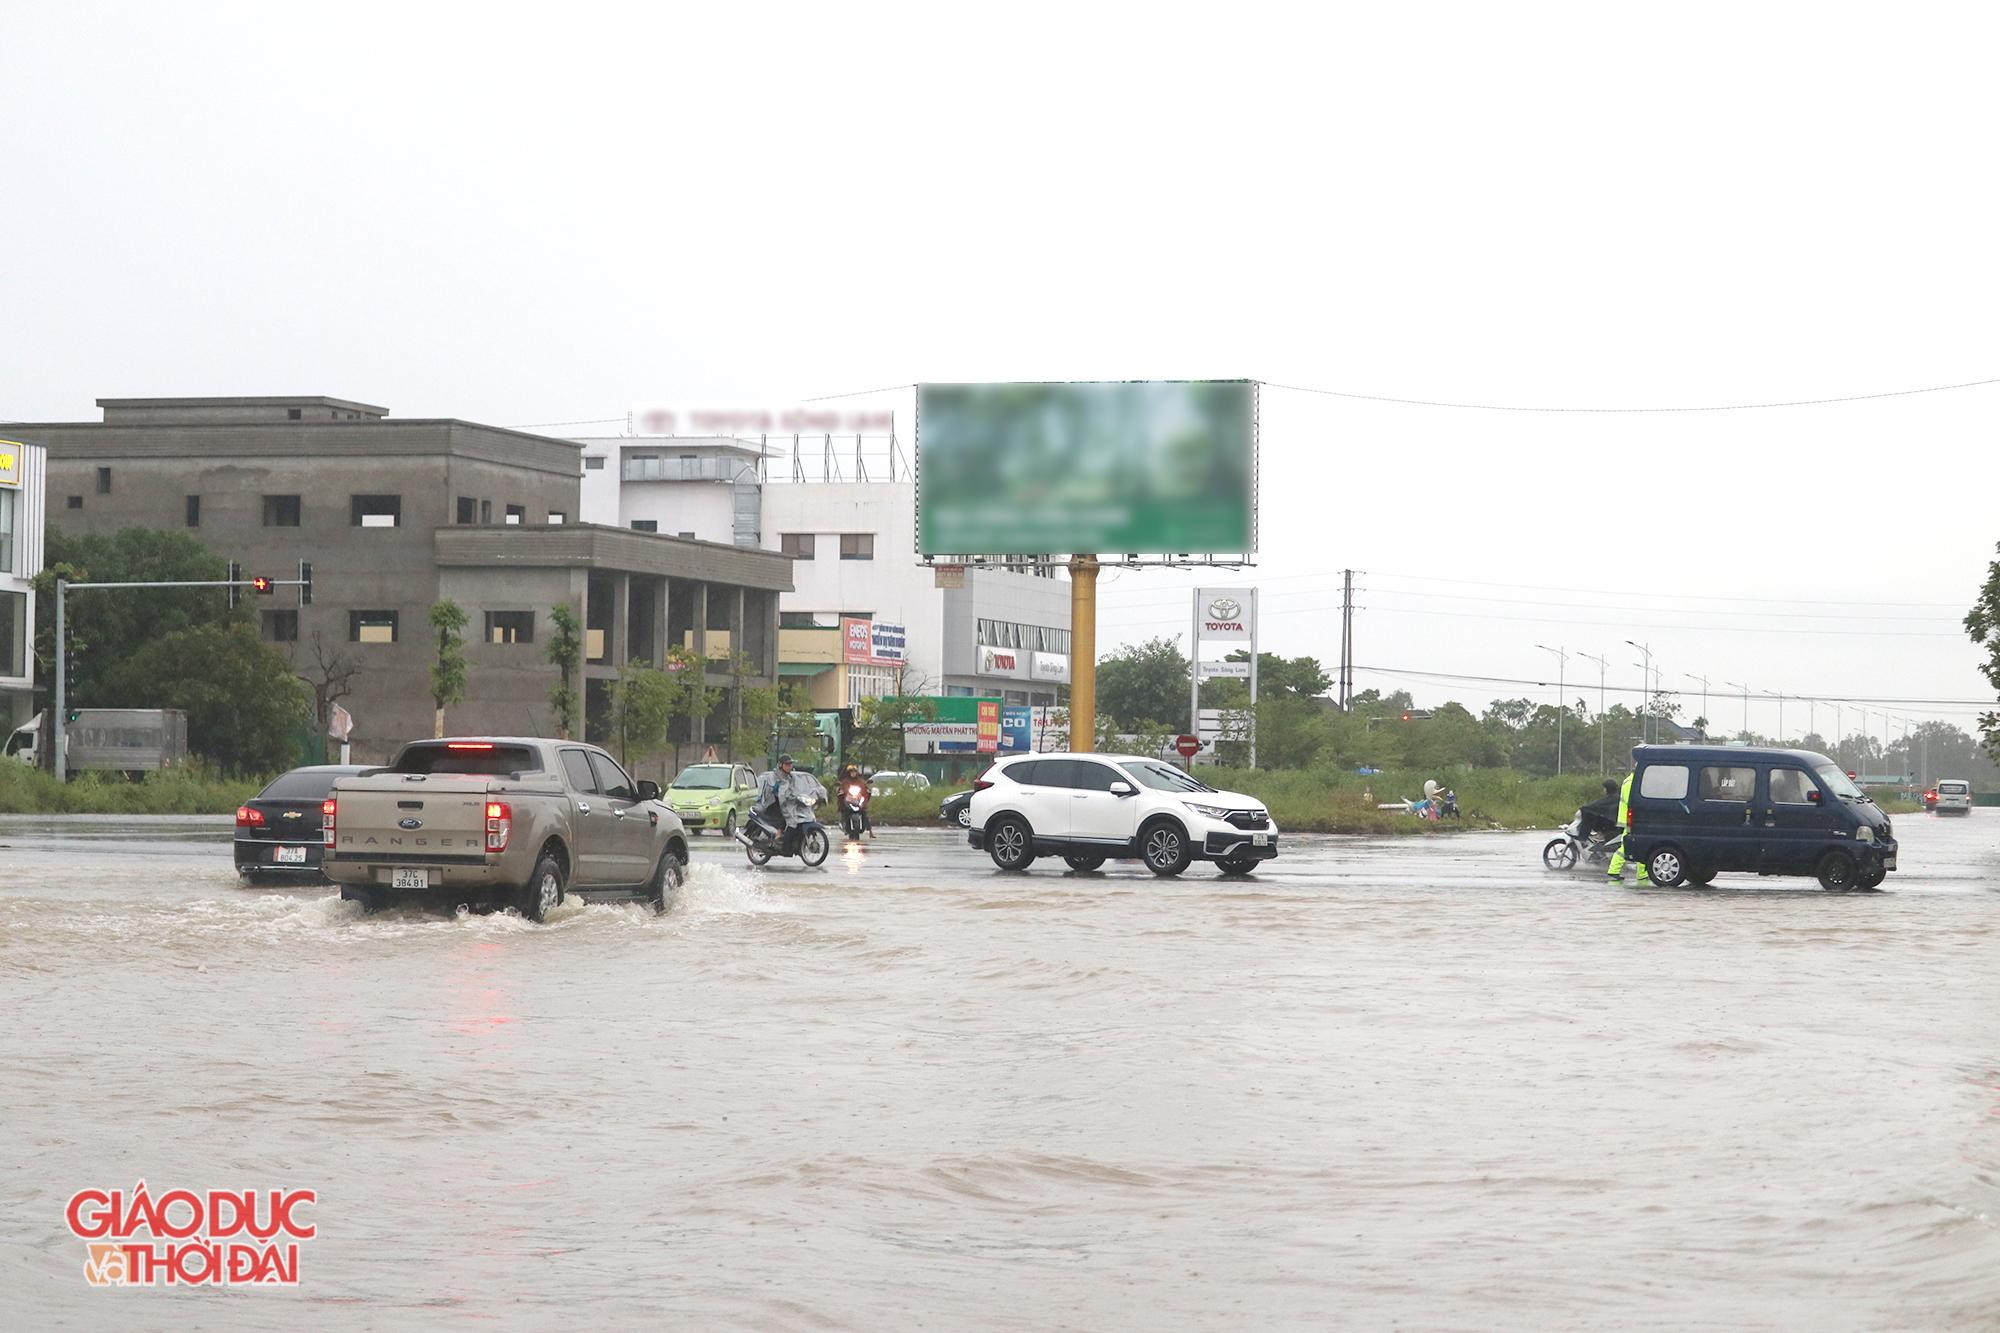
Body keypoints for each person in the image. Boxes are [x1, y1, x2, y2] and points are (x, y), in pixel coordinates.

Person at [756, 754, 826, 855]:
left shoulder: (792, 777)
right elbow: (772, 790)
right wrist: (779, 791)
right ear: (781, 765)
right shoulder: (774, 776)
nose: (789, 766)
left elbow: (798, 788)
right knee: (785, 818)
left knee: (796, 815)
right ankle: (778, 837)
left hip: (787, 803)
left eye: (790, 764)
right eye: (787, 764)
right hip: (773, 803)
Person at [1605, 770, 1651, 884]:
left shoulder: (1630, 780)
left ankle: (1642, 874)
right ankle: (1614, 870)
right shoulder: (1632, 782)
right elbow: (1634, 801)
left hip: (1629, 818)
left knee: (1639, 844)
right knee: (1627, 845)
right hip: (1631, 819)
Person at [840, 763, 875, 838]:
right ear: (849, 773)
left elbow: (864, 788)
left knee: (864, 813)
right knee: (845, 812)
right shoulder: (845, 781)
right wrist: (842, 791)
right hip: (848, 801)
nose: (853, 773)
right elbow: (842, 789)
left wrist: (867, 790)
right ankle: (844, 825)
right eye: (851, 772)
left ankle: (870, 831)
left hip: (858, 801)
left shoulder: (860, 781)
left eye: (854, 772)